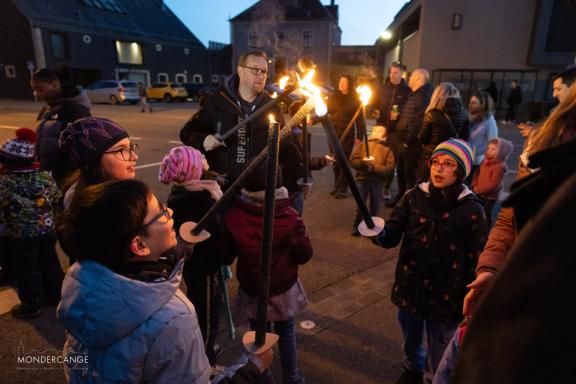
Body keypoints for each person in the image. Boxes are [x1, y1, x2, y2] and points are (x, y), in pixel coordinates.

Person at [56, 179, 273, 383]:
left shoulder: (80, 281)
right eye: (160, 212)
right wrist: (252, 369)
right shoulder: (173, 321)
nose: (169, 211)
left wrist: (171, 256)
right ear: (140, 246)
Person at [370, 139, 486, 384]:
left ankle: (435, 377)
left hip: (447, 294)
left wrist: (473, 294)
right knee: (410, 336)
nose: (439, 169)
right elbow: (392, 234)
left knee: (440, 345)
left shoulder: (472, 209)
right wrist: (377, 234)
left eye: (448, 164)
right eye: (435, 162)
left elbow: (477, 257)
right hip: (410, 286)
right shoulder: (414, 196)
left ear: (461, 171)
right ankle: (413, 368)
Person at [462, 82, 576, 320]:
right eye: (552, 87)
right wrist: (490, 268)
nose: (554, 93)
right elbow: (510, 219)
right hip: (523, 292)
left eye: (558, 88)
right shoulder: (547, 142)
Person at [222, 162, 313, 384]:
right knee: (286, 331)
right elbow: (305, 254)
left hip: (253, 287)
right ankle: (292, 376)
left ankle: (263, 373)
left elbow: (225, 253)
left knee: (259, 334)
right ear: (278, 184)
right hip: (282, 286)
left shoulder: (235, 216)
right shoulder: (289, 216)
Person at [179, 50, 301, 189]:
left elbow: (286, 145)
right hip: (221, 190)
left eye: (264, 71)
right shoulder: (218, 102)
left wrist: (300, 177)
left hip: (256, 192)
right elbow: (187, 132)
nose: (261, 75)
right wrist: (204, 139)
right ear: (240, 70)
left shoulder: (271, 107)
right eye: (255, 70)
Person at [159, 145, 226, 364]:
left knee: (200, 303)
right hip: (205, 266)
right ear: (192, 170)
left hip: (196, 265)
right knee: (206, 312)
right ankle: (206, 358)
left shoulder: (183, 193)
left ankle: (203, 348)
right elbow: (215, 233)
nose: (205, 165)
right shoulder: (199, 200)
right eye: (200, 162)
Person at [0, 128, 63, 318]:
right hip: (47, 228)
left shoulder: (6, 181)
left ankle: (31, 303)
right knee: (50, 261)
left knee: (26, 268)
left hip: (21, 234)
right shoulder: (44, 176)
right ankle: (56, 295)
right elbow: (55, 196)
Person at [31, 67, 91, 189]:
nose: (37, 94)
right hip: (45, 179)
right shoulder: (46, 110)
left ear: (54, 85)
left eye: (40, 89)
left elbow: (85, 151)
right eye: (34, 90)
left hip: (65, 181)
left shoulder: (76, 111)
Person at [59, 117, 138, 208]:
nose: (134, 156)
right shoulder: (102, 207)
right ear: (93, 160)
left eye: (130, 147)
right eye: (121, 149)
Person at [388, 68, 433, 208]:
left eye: (412, 76)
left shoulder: (423, 96)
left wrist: (408, 141)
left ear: (420, 78)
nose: (409, 78)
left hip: (410, 144)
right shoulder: (415, 95)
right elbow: (410, 117)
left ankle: (409, 203)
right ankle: (401, 198)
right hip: (403, 142)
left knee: (409, 175)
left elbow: (419, 121)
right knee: (401, 173)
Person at [372, 62, 411, 200]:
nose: (393, 75)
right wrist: (374, 111)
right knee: (378, 157)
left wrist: (399, 116)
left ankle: (386, 188)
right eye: (391, 72)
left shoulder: (407, 91)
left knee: (391, 160)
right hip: (381, 128)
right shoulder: (382, 88)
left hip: (395, 132)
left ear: (402, 74)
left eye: (396, 73)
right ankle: (377, 185)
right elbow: (373, 104)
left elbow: (409, 111)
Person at [349, 125, 395, 236]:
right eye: (375, 130)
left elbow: (390, 167)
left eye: (380, 131)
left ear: (384, 135)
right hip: (362, 179)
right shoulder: (362, 146)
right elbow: (353, 161)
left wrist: (375, 168)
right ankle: (356, 227)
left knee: (375, 206)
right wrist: (363, 164)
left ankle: (372, 228)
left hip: (377, 181)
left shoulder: (386, 150)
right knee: (361, 206)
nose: (377, 132)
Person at [417, 82, 469, 180]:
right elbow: (465, 138)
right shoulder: (464, 114)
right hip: (453, 159)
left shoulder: (432, 114)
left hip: (433, 158)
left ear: (436, 96)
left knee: (428, 187)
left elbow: (422, 138)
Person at [327, 74, 365, 198]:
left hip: (347, 135)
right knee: (335, 162)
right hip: (333, 134)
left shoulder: (355, 100)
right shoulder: (333, 97)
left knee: (343, 162)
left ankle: (343, 188)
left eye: (345, 82)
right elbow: (324, 112)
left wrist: (360, 136)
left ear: (349, 84)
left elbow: (360, 120)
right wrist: (313, 119)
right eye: (340, 81)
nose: (341, 84)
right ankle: (336, 185)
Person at [517, 67, 576, 137]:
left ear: (573, 88)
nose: (554, 95)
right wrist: (540, 130)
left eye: (558, 89)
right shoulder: (560, 110)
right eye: (554, 90)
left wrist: (536, 134)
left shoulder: (570, 114)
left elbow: (562, 138)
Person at [471, 138, 513, 229]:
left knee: (486, 213)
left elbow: (494, 184)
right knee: (477, 211)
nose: (489, 151)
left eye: (493, 149)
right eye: (488, 148)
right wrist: (474, 184)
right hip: (479, 192)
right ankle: (477, 227)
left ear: (501, 152)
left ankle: (485, 230)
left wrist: (479, 189)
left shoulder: (500, 166)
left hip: (489, 197)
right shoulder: (485, 161)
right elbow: (477, 173)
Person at [467, 91, 498, 181]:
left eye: (474, 103)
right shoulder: (472, 118)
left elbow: (492, 143)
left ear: (483, 104)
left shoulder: (489, 121)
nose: (470, 105)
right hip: (467, 161)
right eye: (470, 102)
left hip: (477, 164)